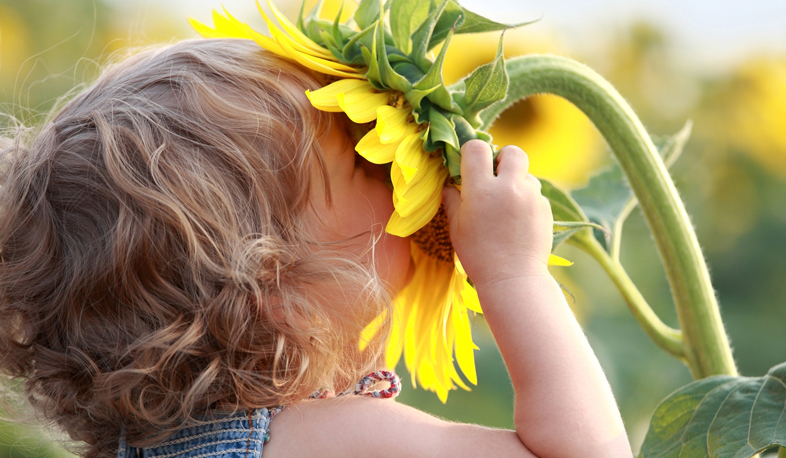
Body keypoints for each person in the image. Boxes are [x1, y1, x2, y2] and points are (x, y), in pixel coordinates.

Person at [0, 39, 632, 458]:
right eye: (364, 162)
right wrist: (514, 274)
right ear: (280, 295)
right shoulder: (333, 441)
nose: (395, 174)